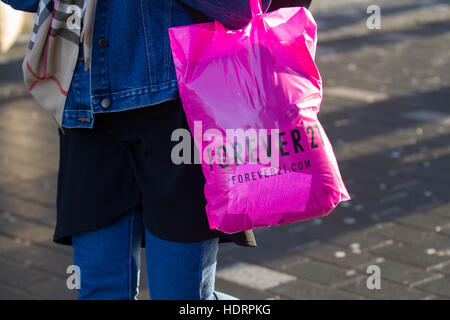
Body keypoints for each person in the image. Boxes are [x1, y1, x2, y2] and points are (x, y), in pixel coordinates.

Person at [3, 0, 311, 300]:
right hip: (88, 117)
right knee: (100, 292)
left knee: (181, 296)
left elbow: (240, 8)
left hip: (180, 115)